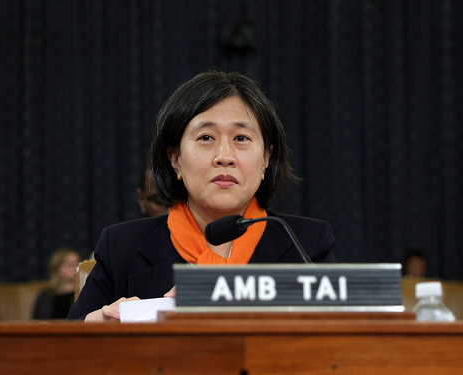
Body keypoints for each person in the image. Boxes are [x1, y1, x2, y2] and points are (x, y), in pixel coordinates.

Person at [67, 71, 336, 322]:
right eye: (206, 137)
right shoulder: (122, 246)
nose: (225, 157)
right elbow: (63, 354)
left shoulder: (307, 245)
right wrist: (97, 328)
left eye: (241, 138)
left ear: (266, 158)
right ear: (175, 160)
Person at [32, 247, 81, 319]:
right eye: (70, 265)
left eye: (77, 264)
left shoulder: (83, 293)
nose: (75, 268)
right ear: (57, 268)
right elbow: (36, 322)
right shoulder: (45, 296)